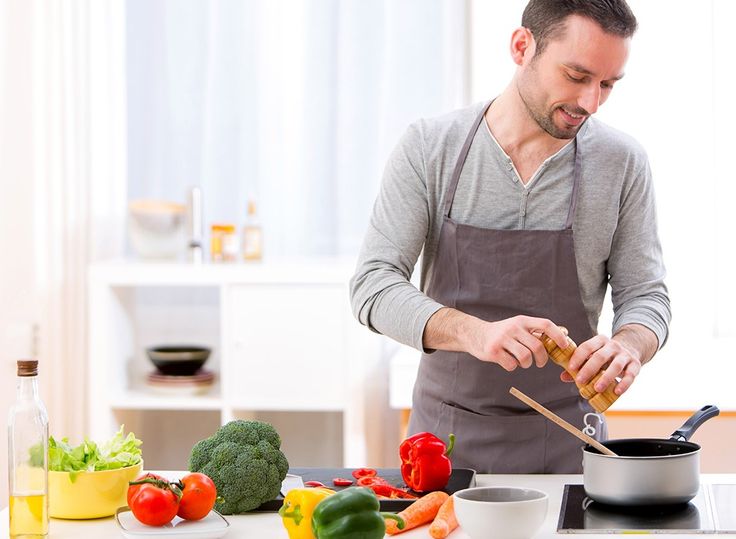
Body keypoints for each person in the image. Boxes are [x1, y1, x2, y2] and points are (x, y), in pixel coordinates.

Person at [349, 0, 671, 474]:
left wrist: (628, 345)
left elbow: (647, 296)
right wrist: (475, 334)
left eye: (607, 84)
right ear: (523, 47)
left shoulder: (622, 163)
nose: (590, 103)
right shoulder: (429, 147)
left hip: (570, 445)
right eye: (576, 76)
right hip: (444, 446)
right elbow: (372, 287)